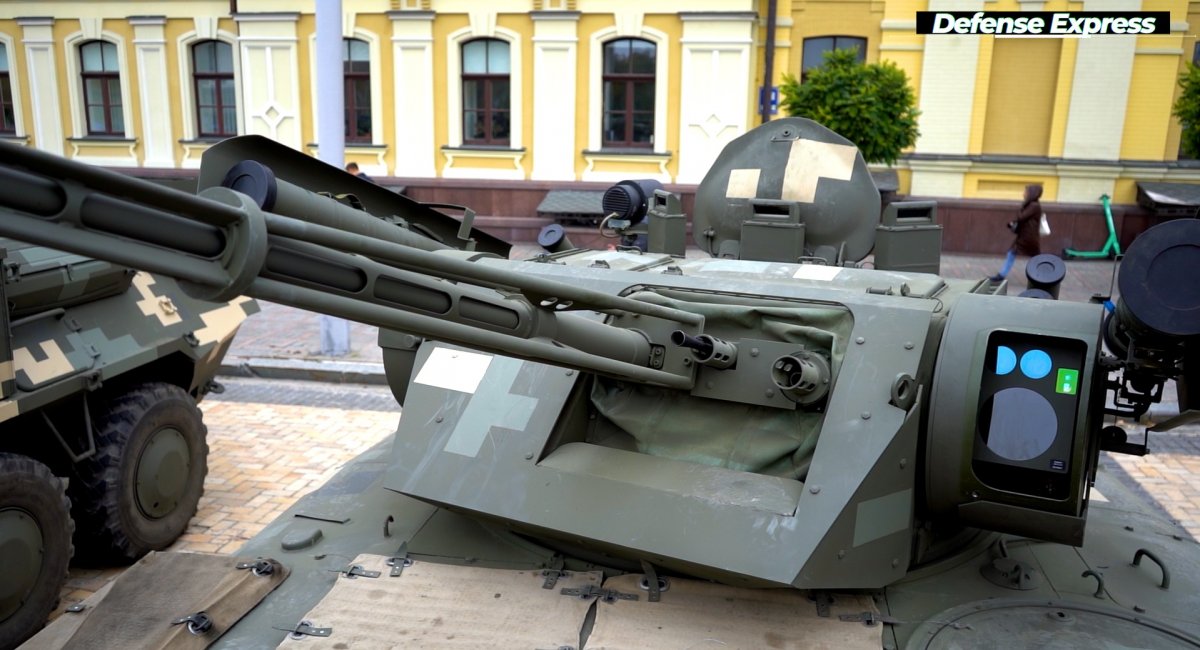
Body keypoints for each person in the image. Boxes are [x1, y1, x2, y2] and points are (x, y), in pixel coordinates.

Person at [991, 184, 1043, 281]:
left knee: (1035, 257)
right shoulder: (1031, 205)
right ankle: (1001, 275)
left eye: (1026, 192)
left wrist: (1021, 208)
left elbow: (1021, 217)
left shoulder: (1034, 206)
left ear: (1032, 193)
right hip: (1025, 236)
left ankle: (1042, 275)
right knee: (1012, 253)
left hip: (1028, 237)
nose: (1023, 194)